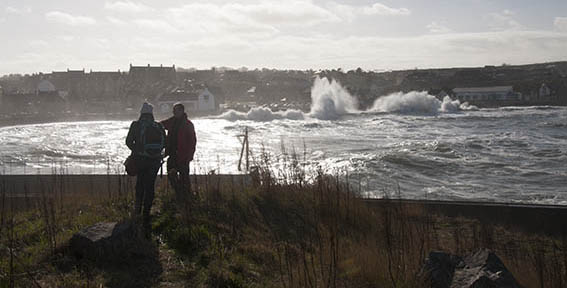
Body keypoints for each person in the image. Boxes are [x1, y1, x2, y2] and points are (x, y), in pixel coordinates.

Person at [126, 102, 165, 232]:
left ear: (141, 113)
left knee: (140, 184)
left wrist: (137, 150)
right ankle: (147, 213)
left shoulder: (136, 125)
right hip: (154, 161)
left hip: (141, 159)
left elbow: (128, 142)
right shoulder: (158, 126)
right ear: (152, 113)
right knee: (150, 186)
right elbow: (164, 143)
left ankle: (137, 211)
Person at [160, 103, 197, 202]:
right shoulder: (172, 121)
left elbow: (192, 142)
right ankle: (179, 194)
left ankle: (187, 198)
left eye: (176, 110)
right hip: (172, 154)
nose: (174, 112)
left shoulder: (188, 124)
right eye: (173, 110)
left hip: (183, 156)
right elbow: (160, 125)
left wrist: (189, 156)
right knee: (171, 175)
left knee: (184, 178)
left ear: (182, 111)